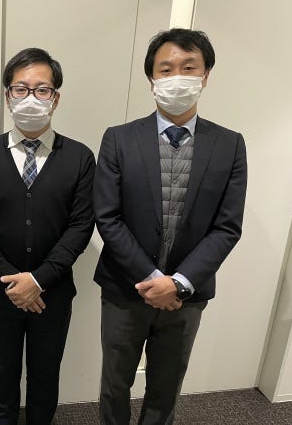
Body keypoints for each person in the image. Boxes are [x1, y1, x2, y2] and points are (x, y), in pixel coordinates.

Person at [94, 28, 247, 424]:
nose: (177, 76)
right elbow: (107, 217)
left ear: (205, 75)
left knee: (166, 388)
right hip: (125, 289)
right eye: (166, 69)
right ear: (152, 79)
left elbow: (227, 227)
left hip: (186, 296)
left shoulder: (230, 144)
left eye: (188, 67)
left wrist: (177, 283)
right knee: (114, 385)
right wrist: (150, 279)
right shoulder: (119, 139)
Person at [0, 48, 95, 424]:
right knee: (1, 375)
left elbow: (81, 226)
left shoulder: (79, 158)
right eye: (21, 89)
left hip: (53, 293)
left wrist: (37, 280)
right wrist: (13, 280)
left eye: (42, 89)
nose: (31, 98)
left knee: (45, 376)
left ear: (56, 98)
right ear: (8, 96)